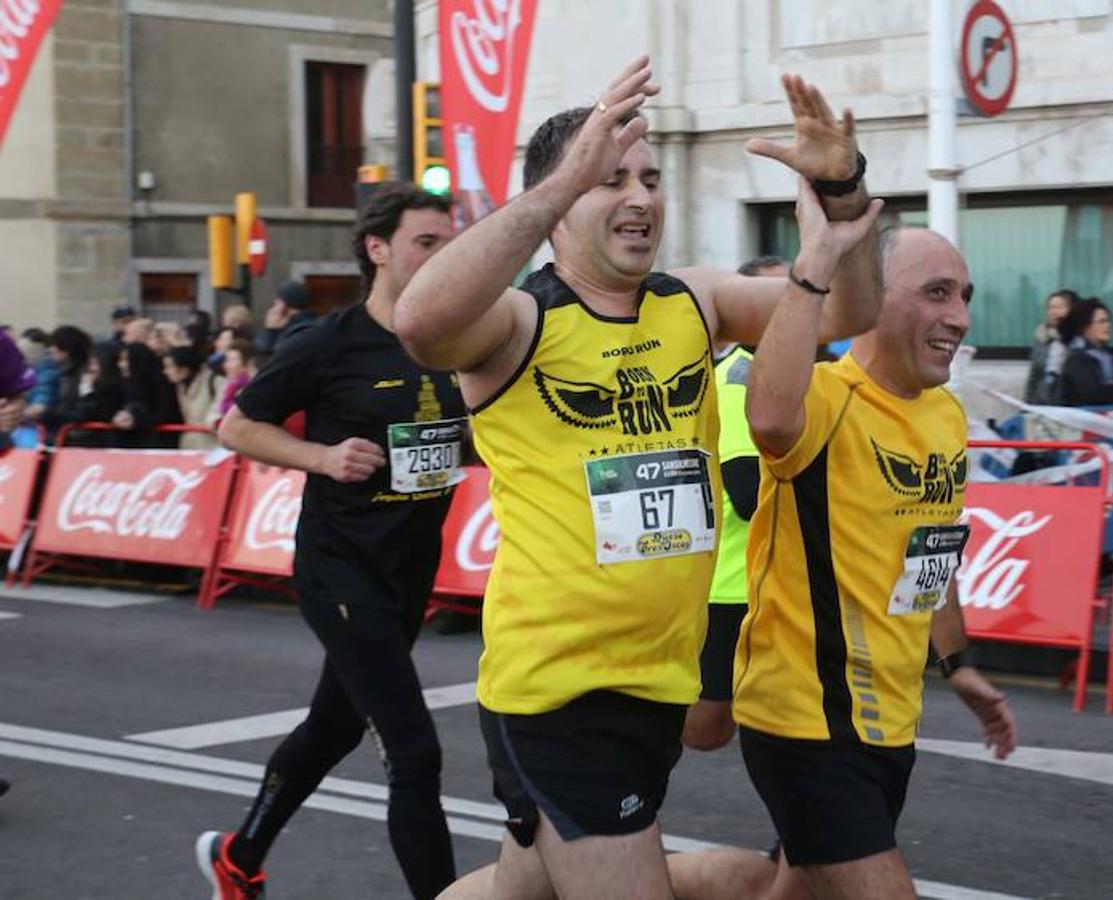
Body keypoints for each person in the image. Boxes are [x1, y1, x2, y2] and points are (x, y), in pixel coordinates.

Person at [397, 58, 884, 900]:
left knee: (523, 890)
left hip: (658, 679)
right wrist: (557, 184)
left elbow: (849, 311)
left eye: (651, 178)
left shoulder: (690, 304)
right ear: (558, 199)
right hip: (559, 691)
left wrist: (842, 194)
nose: (640, 197)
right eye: (609, 178)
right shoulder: (519, 322)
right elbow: (421, 320)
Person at [723, 224, 1016, 899]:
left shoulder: (943, 413)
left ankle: (604, 880)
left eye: (965, 296)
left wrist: (959, 664)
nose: (960, 318)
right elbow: (766, 420)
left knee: (788, 890)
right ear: (869, 301)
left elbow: (929, 551)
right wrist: (818, 260)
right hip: (804, 719)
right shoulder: (824, 399)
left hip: (889, 716)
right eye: (936, 293)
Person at [197, 184, 465, 900]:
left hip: (409, 570)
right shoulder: (329, 341)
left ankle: (240, 856)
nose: (444, 255)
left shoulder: (459, 337)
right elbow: (237, 426)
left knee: (331, 727)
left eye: (450, 242)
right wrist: (322, 457)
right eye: (426, 242)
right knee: (414, 752)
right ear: (378, 250)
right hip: (341, 571)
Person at [682, 255, 786, 753]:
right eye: (773, 296)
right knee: (705, 730)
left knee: (787, 717)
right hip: (731, 586)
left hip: (771, 584)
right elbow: (747, 495)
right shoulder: (742, 379)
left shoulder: (795, 376)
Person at [162, 345, 220, 450]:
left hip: (210, 447)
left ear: (184, 369)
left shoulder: (215, 382)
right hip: (188, 447)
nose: (166, 371)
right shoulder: (179, 386)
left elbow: (219, 411)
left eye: (169, 366)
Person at [1023, 288, 1076, 404]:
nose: (1053, 312)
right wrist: (1026, 405)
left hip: (1068, 404)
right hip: (1043, 401)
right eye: (1050, 307)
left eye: (1059, 307)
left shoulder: (1077, 339)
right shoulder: (1041, 335)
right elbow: (1034, 375)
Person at [255, 280, 318, 356]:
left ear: (285, 305)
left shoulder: (299, 330)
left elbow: (264, 351)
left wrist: (270, 330)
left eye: (279, 301)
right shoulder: (313, 324)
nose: (275, 303)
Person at [214, 338, 255, 425]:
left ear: (247, 364)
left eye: (232, 360)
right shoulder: (226, 386)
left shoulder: (251, 388)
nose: (226, 365)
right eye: (226, 360)